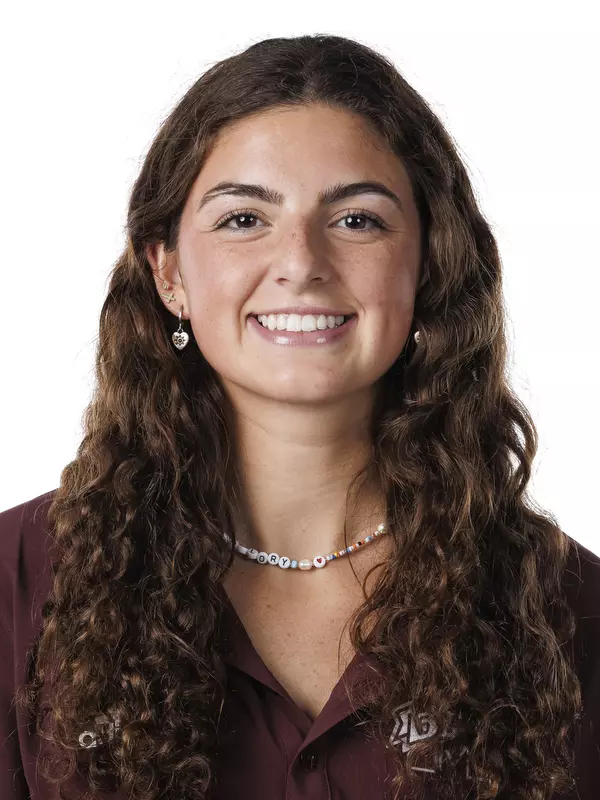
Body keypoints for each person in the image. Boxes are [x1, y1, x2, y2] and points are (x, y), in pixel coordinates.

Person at [0, 33, 598, 800]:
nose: (301, 261)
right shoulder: (20, 587)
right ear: (169, 272)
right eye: (244, 219)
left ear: (430, 264)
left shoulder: (569, 611)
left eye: (357, 220)